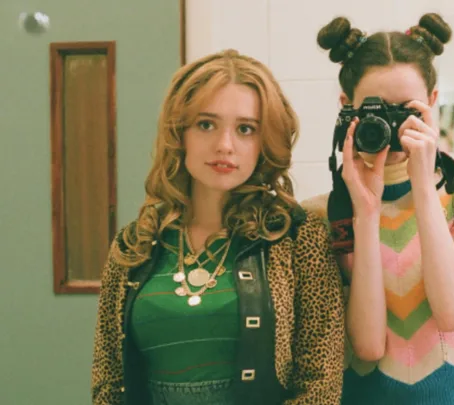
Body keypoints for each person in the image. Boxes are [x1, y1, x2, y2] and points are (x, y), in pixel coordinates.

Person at [91, 49, 345, 405]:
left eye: (245, 129)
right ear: (180, 133)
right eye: (206, 124)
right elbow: (107, 381)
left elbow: (321, 384)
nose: (225, 145)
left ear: (264, 141)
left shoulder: (298, 238)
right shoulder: (135, 244)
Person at [302, 13, 454, 405]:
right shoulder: (325, 213)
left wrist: (425, 189)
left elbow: (452, 314)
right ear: (347, 107)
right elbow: (369, 346)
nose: (392, 128)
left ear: (432, 101)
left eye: (405, 111)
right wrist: (367, 213)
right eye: (376, 110)